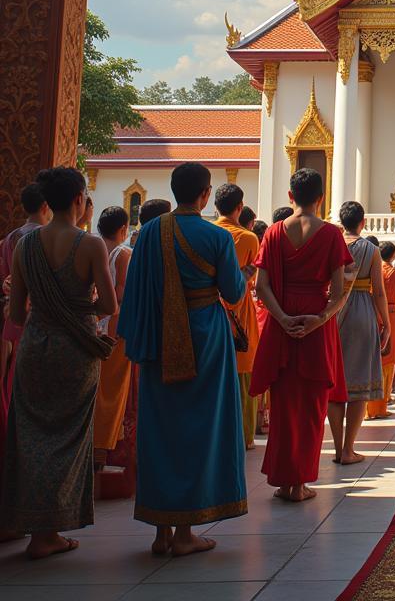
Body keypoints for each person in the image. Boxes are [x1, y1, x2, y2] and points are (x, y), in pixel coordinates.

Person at [118, 161, 249, 556]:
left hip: (159, 335)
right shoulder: (216, 237)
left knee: (161, 426)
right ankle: (186, 533)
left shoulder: (149, 233)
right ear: (206, 194)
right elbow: (234, 292)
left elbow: (136, 293)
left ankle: (161, 530)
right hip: (205, 335)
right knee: (199, 427)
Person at [0, 167, 116, 559]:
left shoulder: (22, 246)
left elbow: (16, 313)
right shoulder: (90, 244)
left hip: (35, 347)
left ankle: (35, 528)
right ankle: (51, 532)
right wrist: (77, 309)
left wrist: (49, 309)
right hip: (75, 351)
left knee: (31, 436)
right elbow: (109, 305)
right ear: (79, 200)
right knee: (68, 438)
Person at [250, 168, 350, 502]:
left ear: (291, 196)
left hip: (283, 324)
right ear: (321, 197)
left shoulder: (274, 233)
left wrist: (282, 318)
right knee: (311, 407)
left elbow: (261, 287)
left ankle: (284, 481)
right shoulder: (332, 235)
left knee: (283, 405)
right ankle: (300, 484)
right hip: (315, 326)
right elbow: (338, 293)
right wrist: (318, 320)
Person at [330, 201, 388, 464]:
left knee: (335, 382)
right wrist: (385, 322)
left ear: (341, 222)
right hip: (363, 312)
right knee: (359, 382)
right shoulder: (371, 250)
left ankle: (337, 446)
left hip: (333, 312)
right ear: (363, 222)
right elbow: (379, 289)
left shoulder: (332, 244)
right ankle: (348, 450)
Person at [212, 183, 261, 450]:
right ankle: (244, 436)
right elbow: (254, 276)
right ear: (239, 208)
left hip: (208, 308)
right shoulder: (249, 238)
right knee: (243, 373)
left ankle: (218, 434)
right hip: (240, 309)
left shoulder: (207, 233)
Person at [0, 183, 51, 415]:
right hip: (37, 315)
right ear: (45, 206)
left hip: (13, 310)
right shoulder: (42, 237)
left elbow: (5, 278)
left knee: (13, 372)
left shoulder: (10, 238)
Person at [93, 206, 134, 466]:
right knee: (113, 391)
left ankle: (95, 444)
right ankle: (102, 447)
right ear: (123, 229)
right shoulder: (124, 254)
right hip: (115, 329)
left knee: (97, 388)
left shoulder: (92, 248)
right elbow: (120, 296)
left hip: (93, 325)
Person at [367, 243, 395, 416]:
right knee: (390, 358)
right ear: (393, 255)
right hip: (392, 315)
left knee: (374, 358)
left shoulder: (372, 271)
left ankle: (370, 405)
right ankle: (382, 403)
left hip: (372, 312)